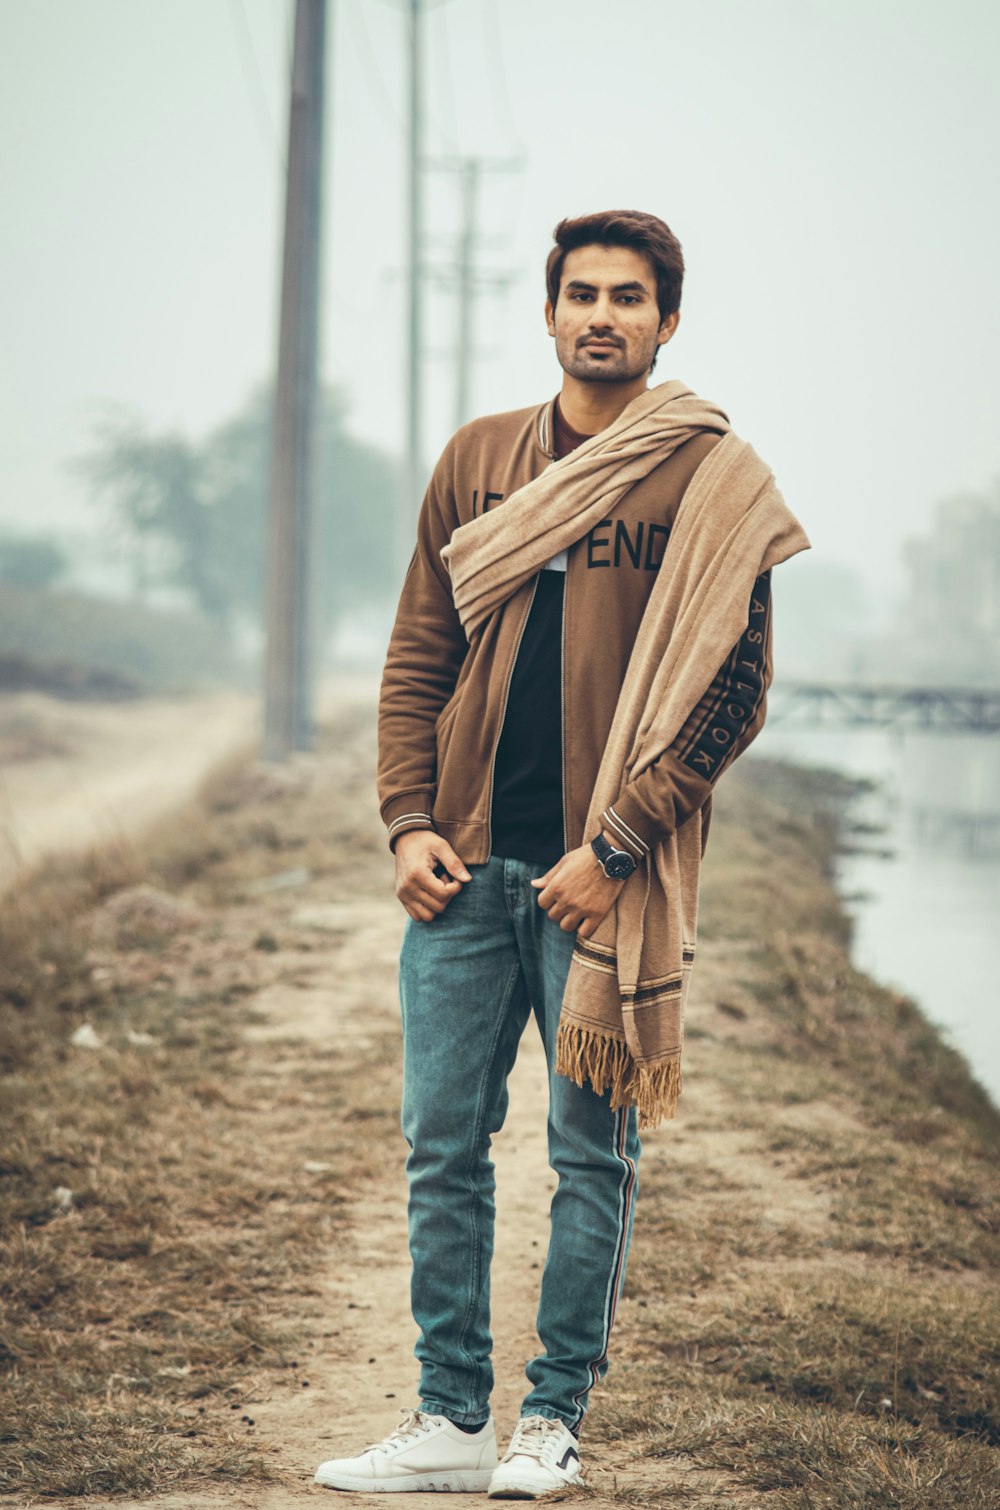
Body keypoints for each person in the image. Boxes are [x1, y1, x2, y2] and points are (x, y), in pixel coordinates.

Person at [314, 209, 809, 1499]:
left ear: (667, 321)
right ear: (547, 315)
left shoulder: (712, 480)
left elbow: (735, 691)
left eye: (629, 296)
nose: (602, 314)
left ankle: (551, 1422)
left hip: (603, 881)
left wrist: (619, 844)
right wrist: (406, 822)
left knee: (592, 1156)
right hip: (465, 870)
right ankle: (447, 1417)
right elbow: (417, 655)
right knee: (441, 1146)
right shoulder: (479, 460)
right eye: (580, 293)